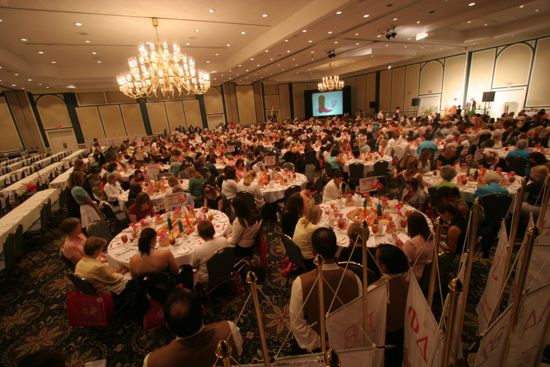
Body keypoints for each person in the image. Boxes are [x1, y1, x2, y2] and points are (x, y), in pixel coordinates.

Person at [289, 227, 362, 352]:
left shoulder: (300, 283)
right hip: (348, 342)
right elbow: (360, 313)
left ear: (313, 252)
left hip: (324, 346)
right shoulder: (354, 278)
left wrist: (321, 342)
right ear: (336, 249)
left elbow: (297, 324)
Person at [143, 288, 243, 367]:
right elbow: (239, 353)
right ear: (203, 310)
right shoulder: (229, 331)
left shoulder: (152, 362)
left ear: (168, 326)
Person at [372, 244, 410, 367]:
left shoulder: (376, 289)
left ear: (384, 266)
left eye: (376, 257)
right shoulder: (408, 281)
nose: (374, 258)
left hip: (385, 333)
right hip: (402, 330)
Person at [395, 212, 434, 280]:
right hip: (430, 275)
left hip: (414, 278)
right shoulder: (432, 237)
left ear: (411, 226)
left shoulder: (412, 243)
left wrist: (399, 247)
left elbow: (402, 262)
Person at [193, 220, 230, 285]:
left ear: (200, 235)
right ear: (213, 230)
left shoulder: (198, 249)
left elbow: (194, 266)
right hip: (225, 270)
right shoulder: (223, 240)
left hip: (209, 278)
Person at [292, 205, 322, 270]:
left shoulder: (301, 220)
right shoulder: (313, 228)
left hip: (295, 252)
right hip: (307, 259)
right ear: (317, 216)